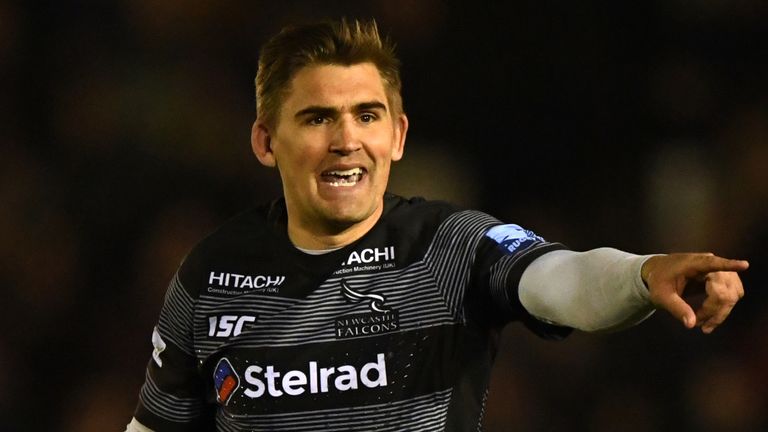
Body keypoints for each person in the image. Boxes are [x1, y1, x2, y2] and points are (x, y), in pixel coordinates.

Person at [126, 18, 748, 432]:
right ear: (266, 141)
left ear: (397, 136)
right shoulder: (211, 274)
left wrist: (642, 276)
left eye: (367, 116)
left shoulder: (447, 247)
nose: (347, 141)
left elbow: (563, 279)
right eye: (317, 118)